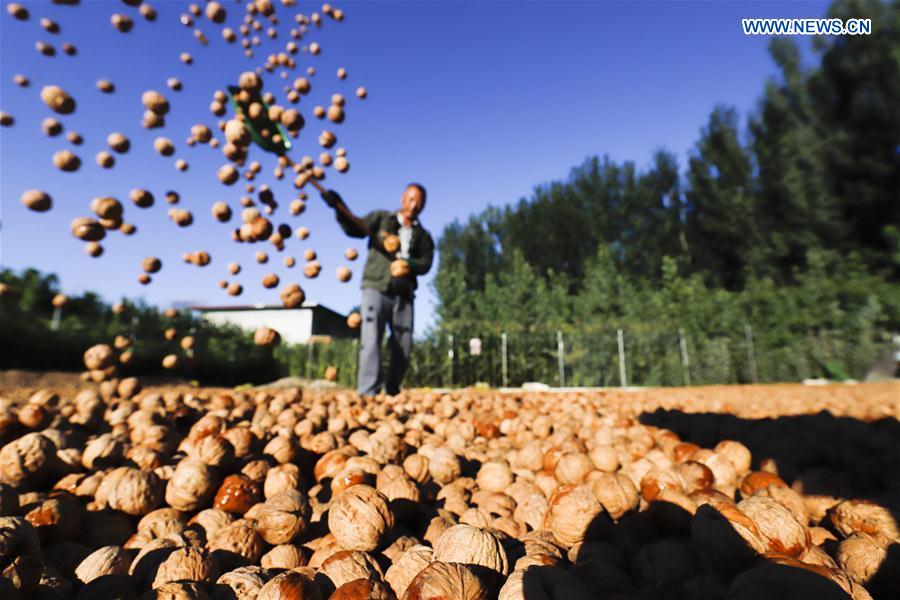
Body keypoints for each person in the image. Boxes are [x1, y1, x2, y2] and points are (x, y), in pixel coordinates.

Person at [313, 181, 435, 397]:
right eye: (410, 199)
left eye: (419, 201)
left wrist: (409, 266)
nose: (413, 205)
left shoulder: (423, 236)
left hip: (404, 293)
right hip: (375, 287)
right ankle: (368, 394)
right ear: (402, 199)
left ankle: (392, 390)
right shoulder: (381, 219)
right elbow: (355, 227)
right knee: (371, 340)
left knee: (403, 345)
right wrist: (338, 207)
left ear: (423, 206)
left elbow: (425, 263)